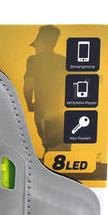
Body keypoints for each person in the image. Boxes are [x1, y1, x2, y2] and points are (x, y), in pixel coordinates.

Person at [23, 25, 66, 155]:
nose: (35, 49)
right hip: (64, 115)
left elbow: (28, 86)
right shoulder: (64, 61)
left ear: (41, 42)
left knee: (51, 152)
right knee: (62, 152)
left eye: (36, 45)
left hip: (43, 114)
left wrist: (29, 104)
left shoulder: (34, 60)